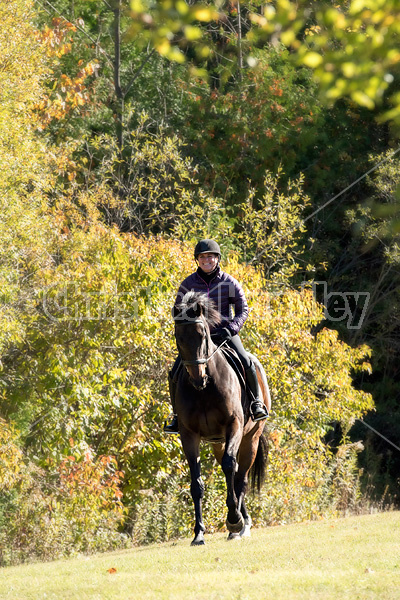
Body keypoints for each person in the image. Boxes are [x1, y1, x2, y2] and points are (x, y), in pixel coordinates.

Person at [164, 239, 269, 434]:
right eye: (202, 257)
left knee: (246, 361)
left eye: (210, 256)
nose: (206, 260)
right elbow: (179, 313)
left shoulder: (229, 282)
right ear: (197, 260)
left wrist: (232, 328)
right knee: (175, 370)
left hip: (224, 334)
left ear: (217, 259)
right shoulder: (188, 284)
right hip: (198, 340)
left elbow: (242, 309)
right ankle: (176, 416)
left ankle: (256, 404)